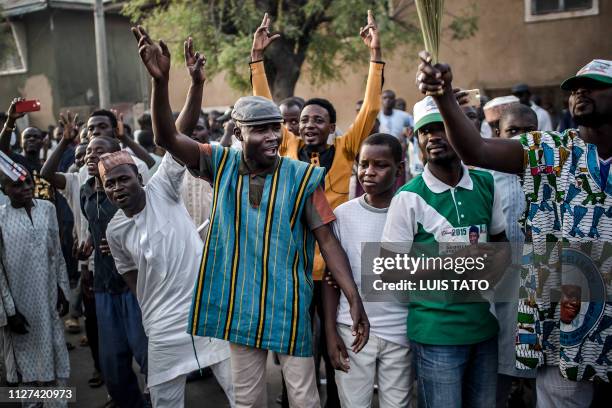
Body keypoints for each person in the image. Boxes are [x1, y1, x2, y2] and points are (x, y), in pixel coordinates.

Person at [132, 24, 369, 408]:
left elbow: (328, 240)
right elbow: (167, 140)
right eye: (261, 130)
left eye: (275, 128)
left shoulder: (302, 177)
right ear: (239, 134)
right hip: (239, 305)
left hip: (289, 306)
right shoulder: (219, 162)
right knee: (247, 400)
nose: (273, 137)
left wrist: (353, 296)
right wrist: (165, 83)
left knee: (305, 398)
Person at [416, 54, 612, 407]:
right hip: (560, 314)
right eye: (575, 88)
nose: (581, 92)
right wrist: (444, 96)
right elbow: (475, 149)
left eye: (595, 87)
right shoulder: (549, 150)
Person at [249, 12, 382, 405]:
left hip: (334, 273)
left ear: (332, 126)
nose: (308, 124)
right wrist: (257, 59)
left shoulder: (345, 150)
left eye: (318, 120)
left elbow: (371, 109)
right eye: (304, 119)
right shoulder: (287, 151)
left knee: (334, 349)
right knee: (296, 350)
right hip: (295, 272)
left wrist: (375, 55)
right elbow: (263, 106)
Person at [380, 96, 510, 408]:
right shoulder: (408, 197)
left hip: (484, 328)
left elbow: (501, 246)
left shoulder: (485, 182)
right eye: (426, 132)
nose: (434, 137)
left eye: (442, 128)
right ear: (418, 140)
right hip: (435, 334)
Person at [102, 150, 234, 408]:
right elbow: (126, 269)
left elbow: (175, 138)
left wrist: (186, 105)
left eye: (123, 179)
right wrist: (147, 305)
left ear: (139, 178)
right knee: (164, 398)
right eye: (110, 183)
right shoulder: (114, 230)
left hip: (207, 311)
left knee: (240, 390)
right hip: (162, 326)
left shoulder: (162, 188)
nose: (117, 187)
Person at [324, 133, 412, 408]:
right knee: (353, 404)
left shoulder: (411, 211)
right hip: (352, 331)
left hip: (401, 331)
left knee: (397, 405)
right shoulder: (344, 214)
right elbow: (330, 279)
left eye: (380, 165)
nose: (368, 172)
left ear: (399, 169)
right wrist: (330, 331)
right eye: (363, 164)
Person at [81, 135, 149, 408]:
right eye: (88, 150)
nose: (91, 155)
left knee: (147, 355)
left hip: (133, 283)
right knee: (113, 363)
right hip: (104, 286)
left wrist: (125, 244)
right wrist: (86, 255)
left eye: (100, 151)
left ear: (116, 156)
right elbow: (91, 226)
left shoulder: (131, 191)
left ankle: (159, 399)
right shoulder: (86, 190)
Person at [41, 113, 104, 389]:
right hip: (88, 263)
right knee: (94, 322)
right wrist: (64, 143)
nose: (84, 158)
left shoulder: (124, 170)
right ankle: (101, 368)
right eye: (80, 155)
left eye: (89, 153)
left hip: (124, 264)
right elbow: (45, 175)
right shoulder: (77, 179)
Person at [0, 162, 70, 404]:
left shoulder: (47, 209)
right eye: (16, 185)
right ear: (4, 188)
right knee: (27, 368)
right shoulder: (0, 218)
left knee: (54, 357)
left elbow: (57, 253)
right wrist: (10, 312)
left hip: (49, 299)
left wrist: (63, 290)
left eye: (29, 181)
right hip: (21, 307)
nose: (26, 188)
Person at [491, 104, 538, 408]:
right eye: (513, 131)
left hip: (544, 290)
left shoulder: (555, 175)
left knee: (543, 377)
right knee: (499, 371)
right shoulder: (484, 177)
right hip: (500, 293)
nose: (522, 139)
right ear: (497, 134)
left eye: (529, 131)